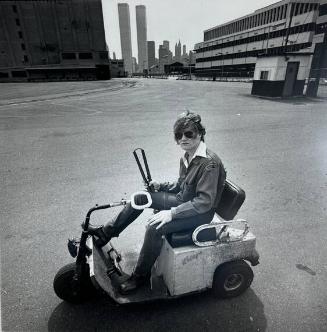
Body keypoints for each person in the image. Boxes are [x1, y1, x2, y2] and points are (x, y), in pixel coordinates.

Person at [86, 111, 226, 294]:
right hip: (184, 201)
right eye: (179, 135)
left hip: (199, 214)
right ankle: (106, 233)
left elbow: (204, 203)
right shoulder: (187, 156)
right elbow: (180, 186)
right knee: (140, 198)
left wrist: (171, 214)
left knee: (154, 227)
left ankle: (140, 278)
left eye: (189, 134)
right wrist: (160, 185)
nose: (183, 139)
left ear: (200, 134)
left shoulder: (209, 163)